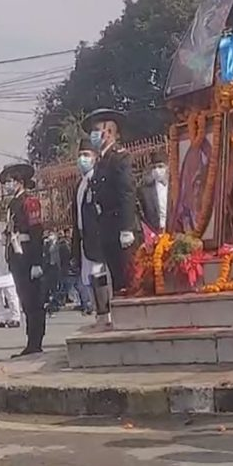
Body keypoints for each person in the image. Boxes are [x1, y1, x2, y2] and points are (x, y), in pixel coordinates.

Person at [83, 108, 137, 295]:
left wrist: (127, 228)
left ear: (109, 132)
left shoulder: (120, 157)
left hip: (119, 226)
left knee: (127, 280)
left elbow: (127, 192)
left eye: (97, 130)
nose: (94, 135)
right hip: (106, 226)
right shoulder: (101, 161)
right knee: (116, 279)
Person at [0, 162, 45, 357]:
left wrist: (36, 261)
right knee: (25, 300)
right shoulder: (12, 203)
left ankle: (36, 341)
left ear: (19, 182)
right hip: (16, 256)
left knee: (34, 301)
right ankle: (30, 340)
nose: (7, 185)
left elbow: (36, 231)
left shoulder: (29, 201)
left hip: (27, 254)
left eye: (10, 181)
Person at [72, 137, 112, 326]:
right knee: (88, 278)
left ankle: (106, 313)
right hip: (83, 238)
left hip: (97, 238)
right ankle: (98, 313)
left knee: (99, 275)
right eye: (80, 155)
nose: (82, 159)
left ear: (95, 157)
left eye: (86, 155)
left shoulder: (97, 181)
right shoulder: (80, 185)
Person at [138, 150, 169, 234]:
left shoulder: (175, 186)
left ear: (167, 166)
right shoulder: (146, 191)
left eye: (160, 166)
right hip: (156, 232)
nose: (157, 170)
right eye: (154, 167)